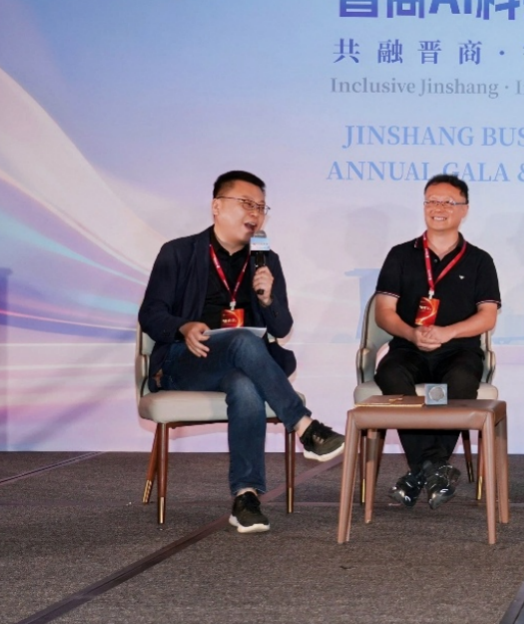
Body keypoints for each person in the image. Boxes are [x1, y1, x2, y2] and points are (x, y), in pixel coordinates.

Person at [138, 170, 344, 533]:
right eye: (247, 203)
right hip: (185, 360)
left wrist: (267, 298)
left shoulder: (265, 260)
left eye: (262, 207)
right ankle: (304, 425)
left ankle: (245, 497)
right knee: (242, 340)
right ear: (217, 207)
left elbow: (281, 328)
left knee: (245, 385)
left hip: (239, 365)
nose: (255, 213)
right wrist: (183, 327)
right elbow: (151, 314)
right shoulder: (178, 252)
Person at [372, 174, 500, 509]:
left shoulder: (480, 260)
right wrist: (412, 333)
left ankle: (420, 471)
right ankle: (435, 466)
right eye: (431, 201)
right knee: (390, 373)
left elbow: (487, 316)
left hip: (459, 350)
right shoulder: (401, 255)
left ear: (464, 209)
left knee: (462, 379)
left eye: (448, 202)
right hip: (408, 348)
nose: (438, 208)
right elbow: (384, 312)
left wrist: (448, 332)